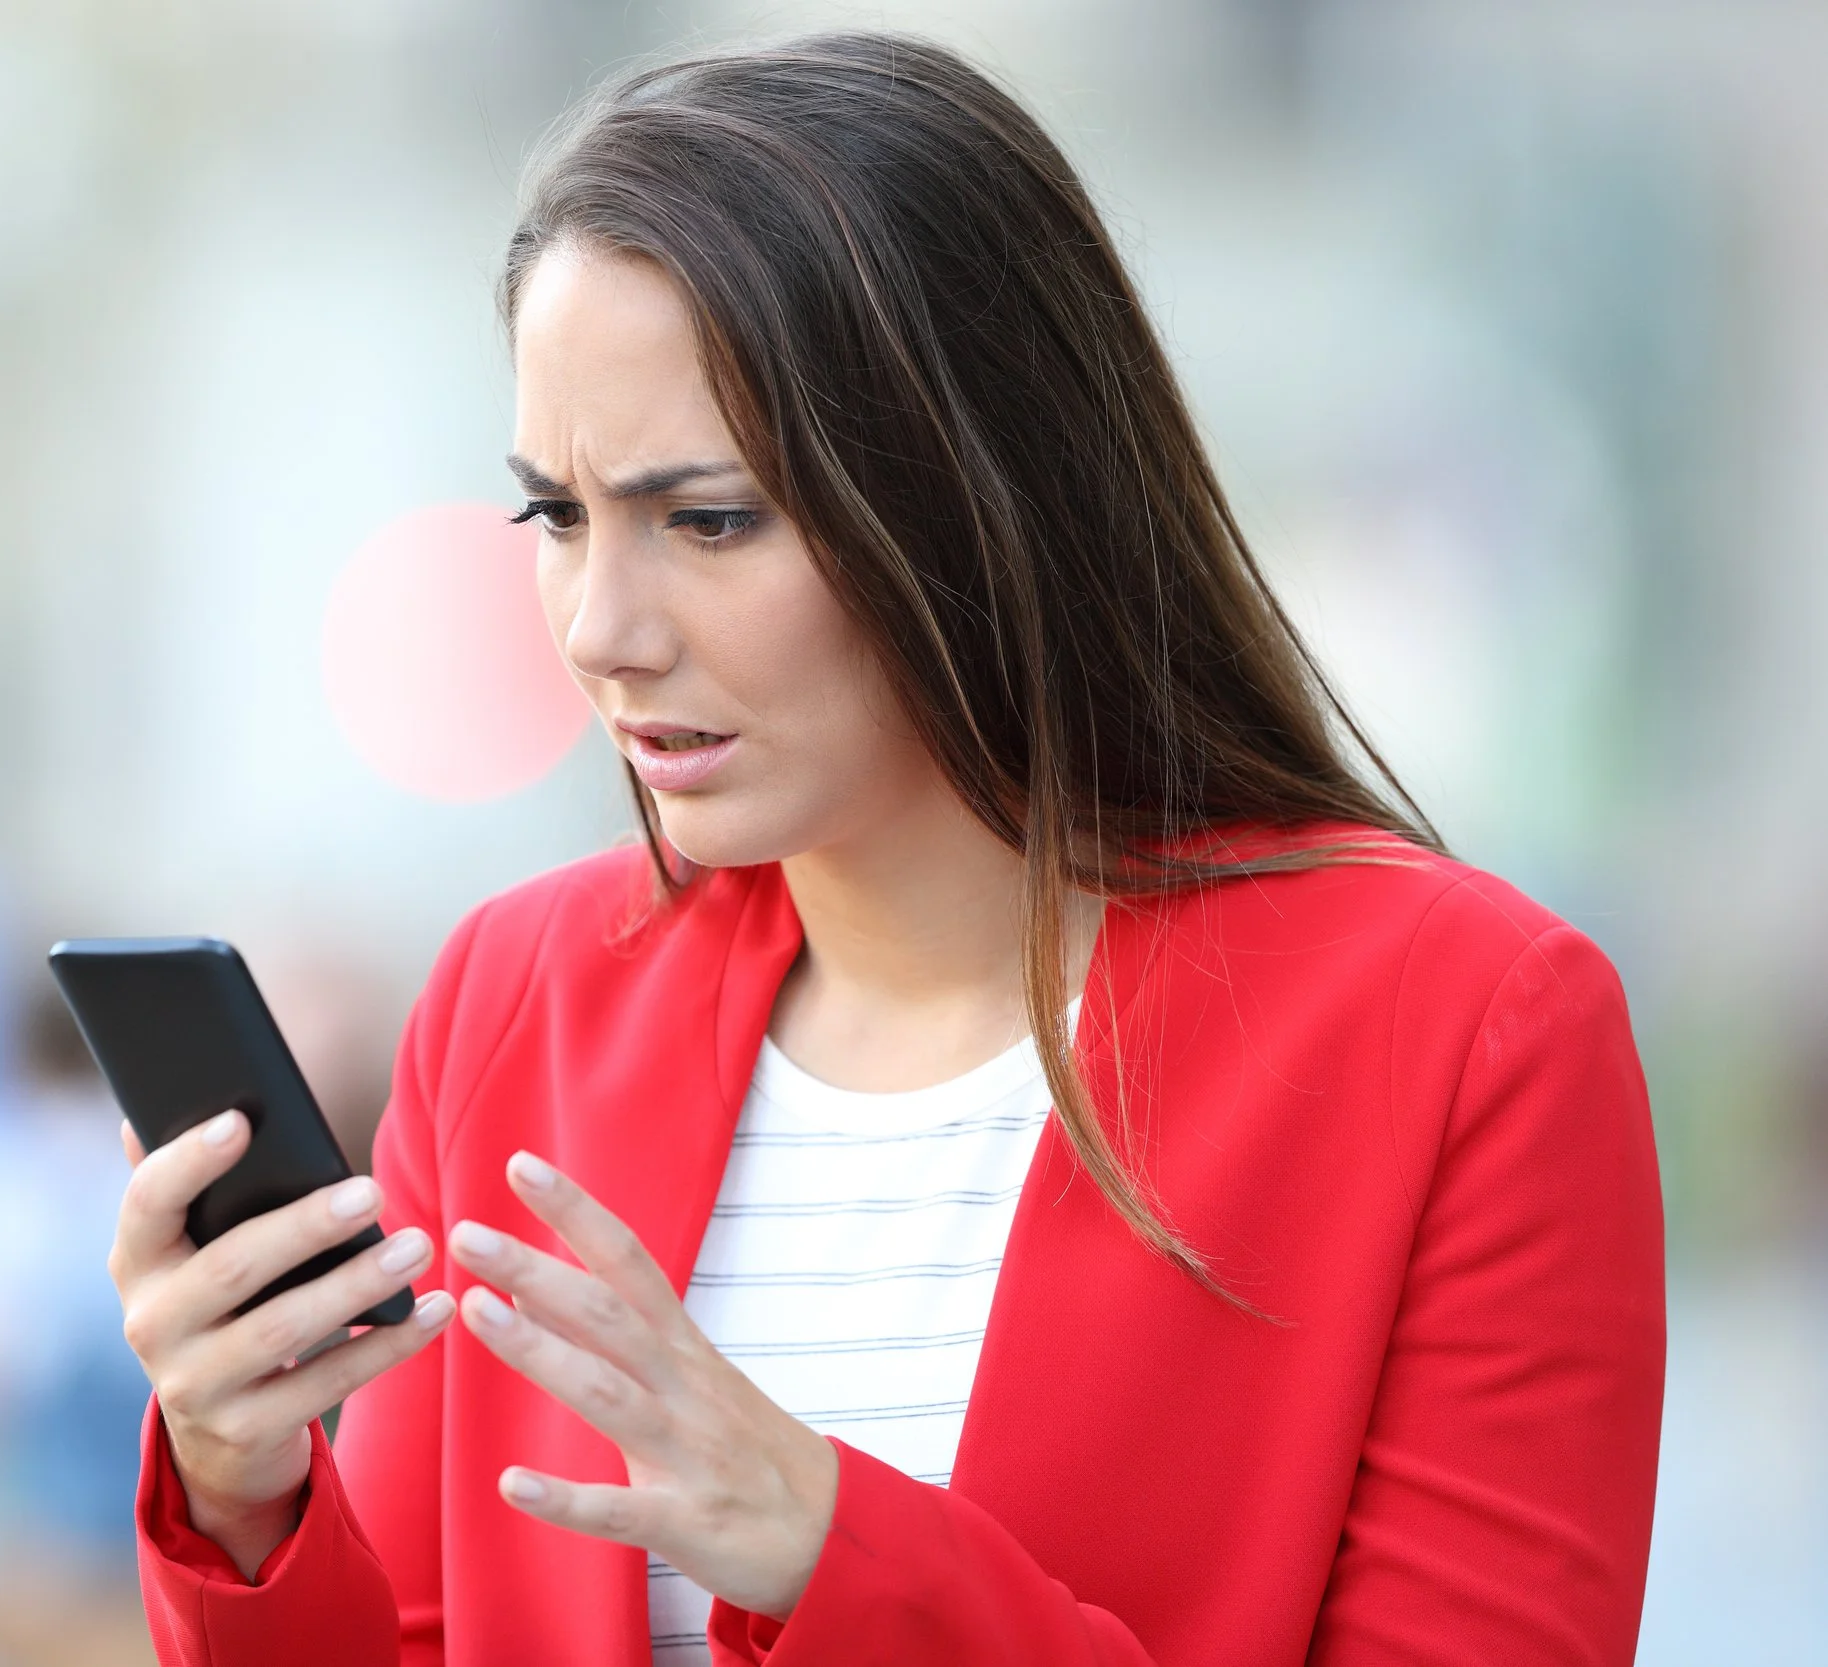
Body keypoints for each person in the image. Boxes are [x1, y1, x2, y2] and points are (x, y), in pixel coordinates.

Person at [104, 33, 1664, 1667]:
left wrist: (837, 1559)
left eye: (708, 519)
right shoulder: (519, 1000)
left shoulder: (1466, 1027)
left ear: (980, 495)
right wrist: (241, 1491)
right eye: (556, 515)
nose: (602, 629)